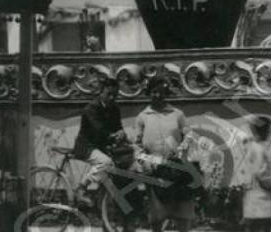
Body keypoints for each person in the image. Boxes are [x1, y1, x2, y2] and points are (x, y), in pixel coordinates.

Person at [135, 77, 195, 232]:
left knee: (182, 211)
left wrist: (182, 149)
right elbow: (137, 146)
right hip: (154, 170)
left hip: (176, 169)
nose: (157, 95)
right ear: (150, 93)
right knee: (157, 214)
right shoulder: (143, 117)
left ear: (165, 93)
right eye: (154, 92)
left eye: (161, 92)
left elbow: (189, 135)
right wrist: (145, 161)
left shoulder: (177, 114)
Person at [72, 77, 126, 207]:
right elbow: (99, 130)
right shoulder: (91, 109)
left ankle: (101, 200)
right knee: (105, 162)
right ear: (101, 92)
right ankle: (81, 188)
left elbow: (118, 126)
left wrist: (121, 133)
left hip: (102, 146)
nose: (112, 98)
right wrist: (114, 136)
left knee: (122, 162)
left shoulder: (114, 108)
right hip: (86, 146)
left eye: (115, 95)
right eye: (109, 94)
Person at [243, 116, 271, 232]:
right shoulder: (258, 149)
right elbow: (262, 173)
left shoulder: (252, 148)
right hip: (262, 200)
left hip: (255, 200)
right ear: (262, 131)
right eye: (267, 130)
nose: (269, 133)